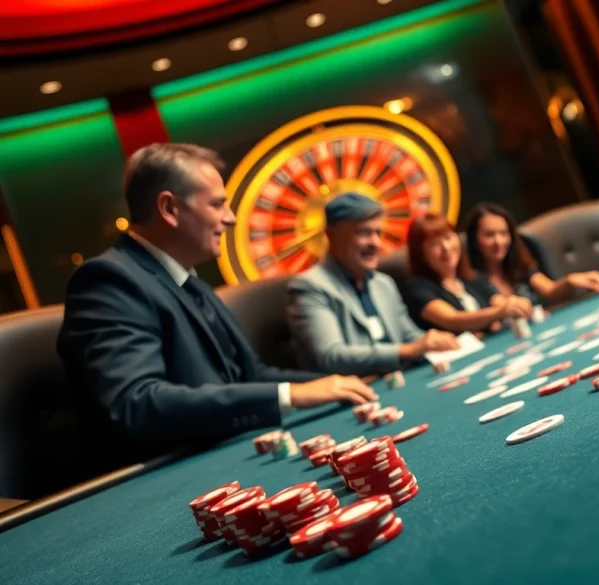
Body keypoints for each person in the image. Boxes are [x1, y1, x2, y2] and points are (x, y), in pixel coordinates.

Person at [57, 143, 377, 451]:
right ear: (169, 208)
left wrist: (337, 382)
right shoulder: (109, 280)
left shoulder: (188, 280)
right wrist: (288, 394)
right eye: (216, 204)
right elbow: (136, 402)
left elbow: (252, 375)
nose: (231, 217)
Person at [287, 194, 461, 377]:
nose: (375, 243)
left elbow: (408, 335)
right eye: (364, 233)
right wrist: (407, 350)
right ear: (331, 235)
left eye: (378, 233)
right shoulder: (309, 286)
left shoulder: (383, 283)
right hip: (353, 395)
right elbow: (331, 356)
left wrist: (434, 343)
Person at [404, 212, 531, 334]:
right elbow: (452, 320)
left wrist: (514, 304)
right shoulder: (417, 287)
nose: (446, 248)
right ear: (421, 254)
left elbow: (499, 301)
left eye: (448, 238)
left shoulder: (472, 277)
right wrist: (499, 312)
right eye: (435, 244)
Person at [463, 203, 599, 304]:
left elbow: (550, 290)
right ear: (474, 240)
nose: (499, 241)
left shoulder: (519, 266)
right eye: (489, 235)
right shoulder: (470, 281)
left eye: (504, 233)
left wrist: (571, 281)